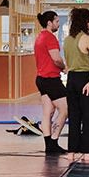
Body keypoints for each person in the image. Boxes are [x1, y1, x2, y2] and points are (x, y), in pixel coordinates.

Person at [63, 7, 89, 162]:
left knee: (74, 115)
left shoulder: (67, 40)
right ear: (87, 22)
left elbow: (68, 63)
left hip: (71, 79)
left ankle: (71, 152)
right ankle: (88, 152)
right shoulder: (87, 39)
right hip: (85, 78)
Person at [33, 10, 67, 156]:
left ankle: (49, 145)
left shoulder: (39, 37)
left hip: (41, 79)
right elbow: (56, 59)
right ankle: (53, 140)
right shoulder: (50, 38)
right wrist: (64, 67)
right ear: (49, 22)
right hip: (51, 79)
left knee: (48, 112)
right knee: (65, 109)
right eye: (57, 21)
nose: (58, 24)